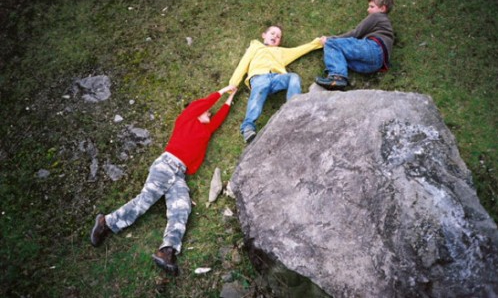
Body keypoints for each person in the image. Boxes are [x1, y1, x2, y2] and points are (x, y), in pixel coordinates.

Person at [90, 85, 237, 276]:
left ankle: (166, 251)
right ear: (197, 112)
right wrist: (224, 90)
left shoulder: (206, 131)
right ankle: (106, 222)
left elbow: (219, 119)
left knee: (182, 207)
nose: (210, 113)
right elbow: (203, 103)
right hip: (166, 165)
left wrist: (231, 98)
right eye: (207, 111)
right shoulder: (186, 120)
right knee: (145, 200)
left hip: (179, 174)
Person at [229, 25, 323, 143]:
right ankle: (248, 126)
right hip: (259, 78)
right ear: (264, 35)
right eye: (272, 33)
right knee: (258, 93)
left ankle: (293, 111)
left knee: (293, 77)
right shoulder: (255, 47)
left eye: (278, 37)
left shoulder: (281, 52)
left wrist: (317, 43)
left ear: (279, 42)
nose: (275, 37)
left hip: (277, 78)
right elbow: (242, 64)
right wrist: (233, 83)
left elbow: (299, 50)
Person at [315, 0, 394, 91]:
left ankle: (337, 76)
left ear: (382, 9)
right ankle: (337, 81)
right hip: (375, 65)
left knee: (331, 44)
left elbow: (356, 33)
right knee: (341, 57)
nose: (368, 9)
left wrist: (329, 39)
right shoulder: (385, 24)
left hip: (373, 48)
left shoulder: (377, 16)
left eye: (371, 6)